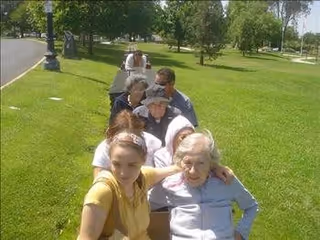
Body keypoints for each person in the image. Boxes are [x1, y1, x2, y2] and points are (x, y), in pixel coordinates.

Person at [78, 130, 183, 240]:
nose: (123, 173)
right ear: (109, 161)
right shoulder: (102, 192)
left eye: (132, 165)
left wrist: (189, 165)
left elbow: (170, 170)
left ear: (143, 160)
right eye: (116, 164)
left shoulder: (141, 179)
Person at [153, 131, 259, 240]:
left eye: (201, 163)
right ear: (180, 162)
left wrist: (241, 233)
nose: (193, 171)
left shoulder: (225, 180)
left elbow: (251, 206)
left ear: (211, 163)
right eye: (188, 162)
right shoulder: (170, 184)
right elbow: (139, 202)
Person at [92, 110, 162, 178]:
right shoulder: (104, 148)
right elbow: (98, 179)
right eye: (116, 164)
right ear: (112, 135)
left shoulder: (155, 145)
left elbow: (162, 178)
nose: (127, 140)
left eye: (132, 136)